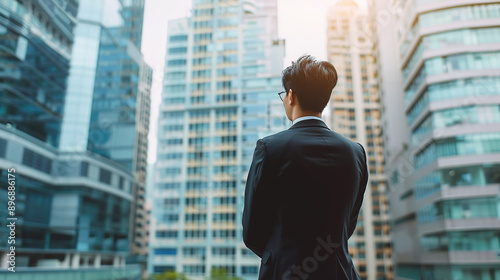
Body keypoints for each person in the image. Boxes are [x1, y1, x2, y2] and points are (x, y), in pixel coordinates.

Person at [242, 54, 368, 280]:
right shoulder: (355, 153)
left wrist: (282, 253)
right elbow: (347, 225)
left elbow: (252, 231)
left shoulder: (270, 148)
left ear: (290, 96)